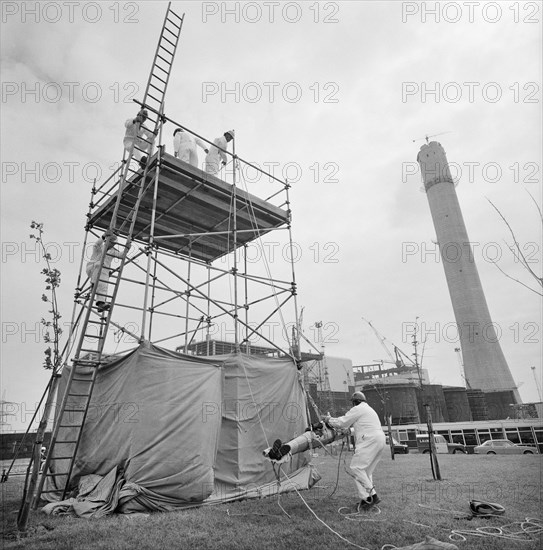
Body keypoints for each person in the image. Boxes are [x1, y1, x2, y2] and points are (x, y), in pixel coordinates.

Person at [323, 391, 386, 511]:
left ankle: (373, 496)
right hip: (379, 439)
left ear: (355, 402)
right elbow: (362, 425)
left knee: (356, 467)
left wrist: (328, 419)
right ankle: (366, 500)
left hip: (369, 440)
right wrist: (350, 431)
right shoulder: (369, 410)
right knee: (366, 472)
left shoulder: (358, 408)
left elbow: (342, 422)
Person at [85, 232, 123, 313]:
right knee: (102, 282)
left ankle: (94, 287)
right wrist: (103, 236)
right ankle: (100, 302)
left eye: (113, 243)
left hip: (103, 271)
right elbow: (95, 245)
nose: (112, 245)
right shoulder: (100, 248)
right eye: (110, 242)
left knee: (103, 282)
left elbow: (121, 255)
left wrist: (127, 247)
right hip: (93, 267)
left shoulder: (112, 251)